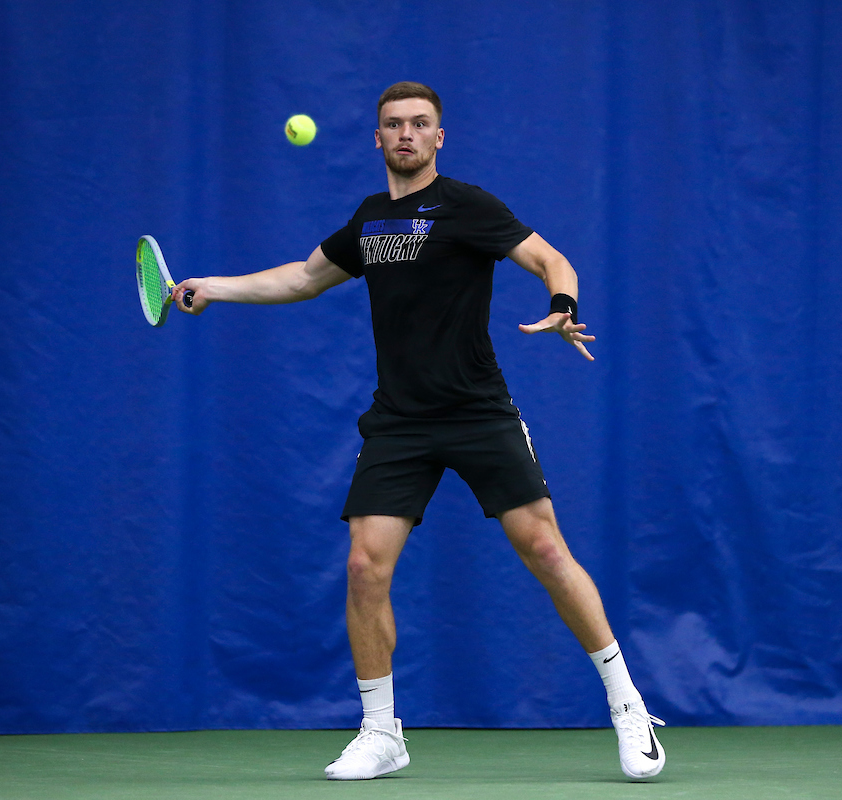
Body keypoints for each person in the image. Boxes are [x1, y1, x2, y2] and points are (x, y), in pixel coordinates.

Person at [170, 81, 664, 782]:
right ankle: (381, 733)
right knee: (364, 565)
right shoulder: (370, 220)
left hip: (477, 410)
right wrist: (214, 286)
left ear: (439, 137)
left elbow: (552, 259)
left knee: (546, 549)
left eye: (419, 123)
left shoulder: (468, 207)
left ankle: (628, 702)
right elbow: (304, 278)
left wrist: (561, 304)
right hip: (400, 420)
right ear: (377, 139)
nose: (406, 133)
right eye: (394, 124)